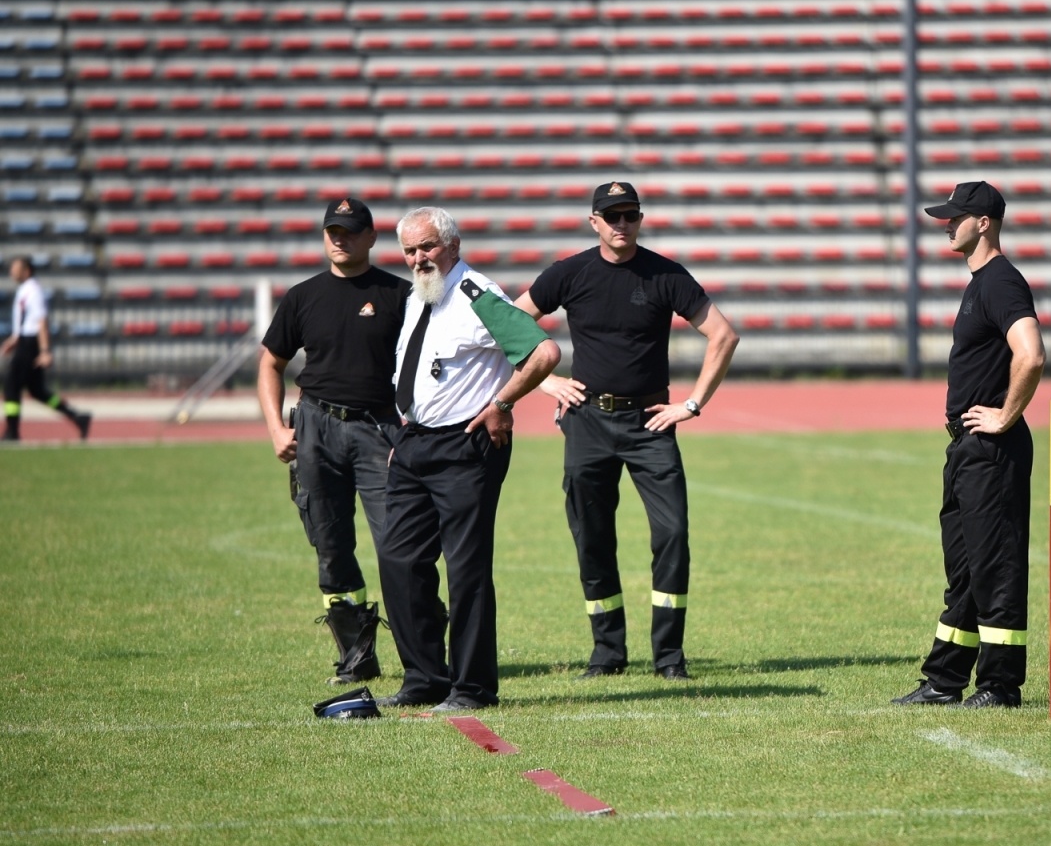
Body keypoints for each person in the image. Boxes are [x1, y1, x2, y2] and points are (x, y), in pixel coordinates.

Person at [513, 181, 739, 681]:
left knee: (673, 533)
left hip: (650, 423)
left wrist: (692, 404)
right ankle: (606, 652)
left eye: (629, 216)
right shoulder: (568, 273)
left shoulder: (665, 274)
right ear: (593, 221)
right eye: (611, 216)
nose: (621, 225)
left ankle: (669, 656)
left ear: (640, 219)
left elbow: (724, 335)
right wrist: (546, 383)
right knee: (592, 537)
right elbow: (506, 324)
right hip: (587, 421)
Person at [377, 206, 560, 711]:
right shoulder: (422, 296)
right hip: (415, 442)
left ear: (452, 246)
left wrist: (502, 404)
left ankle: (473, 688)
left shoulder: (477, 294)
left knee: (466, 568)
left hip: (465, 444)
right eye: (410, 250)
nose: (418, 258)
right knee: (398, 558)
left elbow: (543, 353)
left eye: (427, 247)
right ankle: (424, 678)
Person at [894, 181, 1045, 709]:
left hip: (991, 448)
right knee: (964, 569)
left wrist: (1006, 415)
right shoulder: (981, 281)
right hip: (967, 448)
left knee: (995, 567)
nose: (946, 224)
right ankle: (944, 680)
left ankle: (1001, 686)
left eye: (956, 217)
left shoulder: (1001, 281)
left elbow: (1032, 353)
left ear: (984, 222)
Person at [257, 199, 410, 685]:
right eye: (332, 231)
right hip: (316, 428)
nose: (339, 238)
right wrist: (277, 430)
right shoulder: (302, 296)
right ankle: (356, 655)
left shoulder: (401, 296)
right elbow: (270, 364)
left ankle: (421, 657)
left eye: (349, 230)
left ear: (371, 237)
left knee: (399, 544)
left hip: (379, 430)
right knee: (331, 546)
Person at [3, 256, 91, 442]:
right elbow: (27, 319)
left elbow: (41, 321)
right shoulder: (25, 289)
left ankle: (12, 431)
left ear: (26, 271)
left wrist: (44, 350)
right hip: (25, 340)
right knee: (37, 391)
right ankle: (78, 417)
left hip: (31, 343)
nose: (11, 271)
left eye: (15, 268)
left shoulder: (33, 291)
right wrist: (15, 337)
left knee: (11, 386)